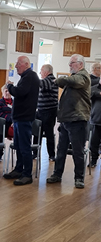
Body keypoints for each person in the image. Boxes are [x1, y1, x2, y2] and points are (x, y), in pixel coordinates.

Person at [46, 54, 91, 189]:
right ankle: (57, 174)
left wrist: (59, 79)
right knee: (61, 149)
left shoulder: (83, 76)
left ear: (80, 64)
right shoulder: (74, 77)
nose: (69, 65)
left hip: (77, 119)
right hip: (66, 119)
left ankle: (79, 178)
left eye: (72, 63)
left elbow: (75, 81)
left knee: (78, 151)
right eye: (70, 63)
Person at [3, 56, 40, 185]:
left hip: (24, 118)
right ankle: (18, 170)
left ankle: (27, 174)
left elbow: (20, 92)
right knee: (18, 146)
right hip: (20, 118)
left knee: (24, 147)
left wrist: (10, 87)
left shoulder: (30, 76)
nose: (16, 66)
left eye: (18, 64)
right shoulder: (26, 77)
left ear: (26, 64)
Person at [33, 64, 58, 162]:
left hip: (49, 112)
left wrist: (31, 78)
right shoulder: (48, 80)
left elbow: (42, 84)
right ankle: (35, 153)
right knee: (36, 133)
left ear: (46, 72)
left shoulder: (51, 80)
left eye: (41, 71)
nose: (40, 73)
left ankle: (51, 155)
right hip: (41, 112)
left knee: (49, 134)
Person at [0, 84, 13, 161]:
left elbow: (18, 113)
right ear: (2, 92)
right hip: (2, 124)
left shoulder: (15, 103)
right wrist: (11, 118)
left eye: (9, 91)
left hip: (13, 124)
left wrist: (14, 121)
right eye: (6, 91)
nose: (7, 93)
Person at [89, 77, 101, 167]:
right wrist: (99, 93)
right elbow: (88, 94)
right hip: (96, 120)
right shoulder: (94, 88)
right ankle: (93, 161)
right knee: (94, 142)